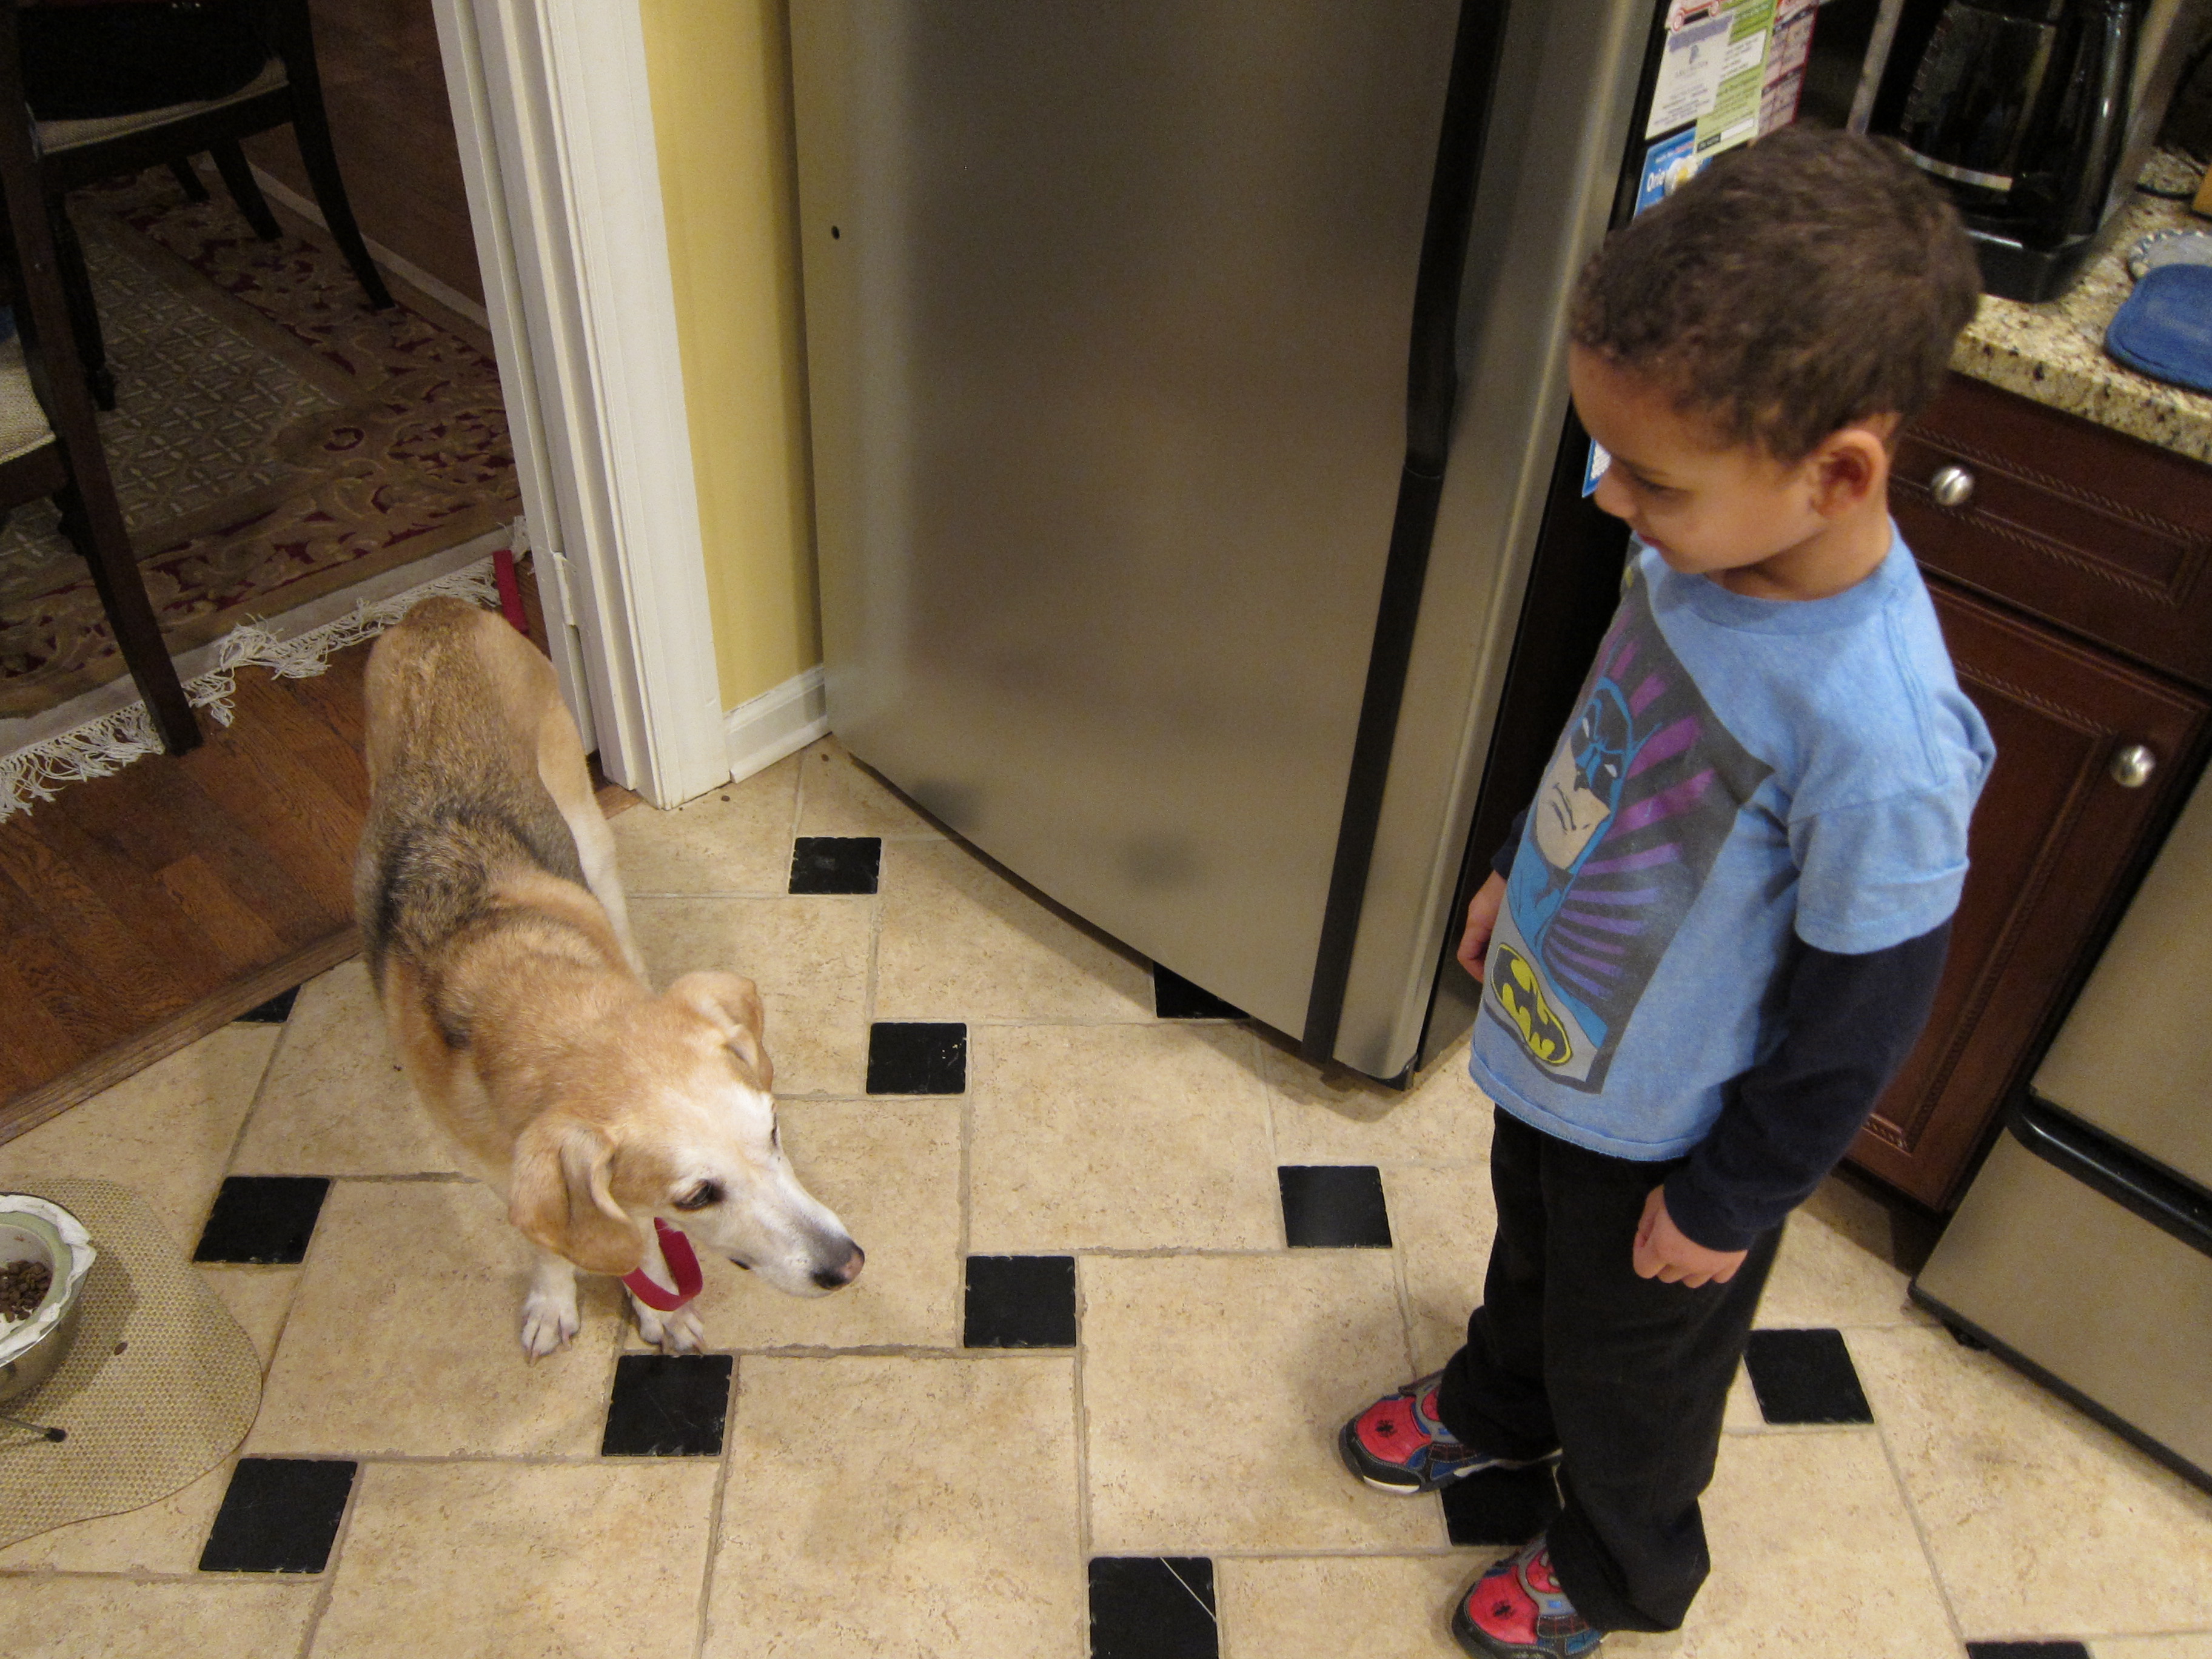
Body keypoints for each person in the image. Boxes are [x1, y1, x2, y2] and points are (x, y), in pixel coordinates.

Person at [1336, 127, 1992, 1658]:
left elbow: (1864, 1015)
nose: (1613, 495)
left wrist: (1731, 1199)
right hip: (1562, 1048)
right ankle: (1504, 1401)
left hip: (1678, 1140)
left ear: (1838, 473)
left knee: (1642, 1375)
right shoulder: (1705, 556)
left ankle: (1626, 1565)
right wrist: (1518, 861)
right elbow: (1614, 725)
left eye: (1653, 476)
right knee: (1531, 1259)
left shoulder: (1883, 736)